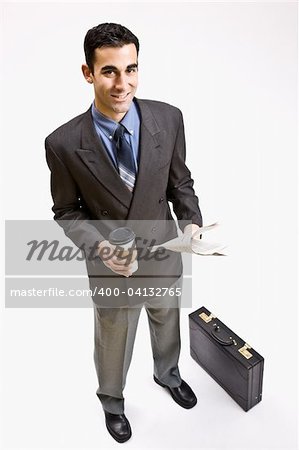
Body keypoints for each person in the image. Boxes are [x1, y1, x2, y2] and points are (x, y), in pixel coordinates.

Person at [45, 22, 203, 443]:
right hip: (111, 263)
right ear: (88, 73)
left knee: (168, 319)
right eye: (110, 71)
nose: (122, 84)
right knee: (113, 336)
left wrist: (192, 224)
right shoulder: (62, 143)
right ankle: (112, 401)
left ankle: (167, 374)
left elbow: (179, 183)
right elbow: (66, 212)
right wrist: (99, 247)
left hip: (164, 250)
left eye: (130, 69)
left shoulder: (168, 119)